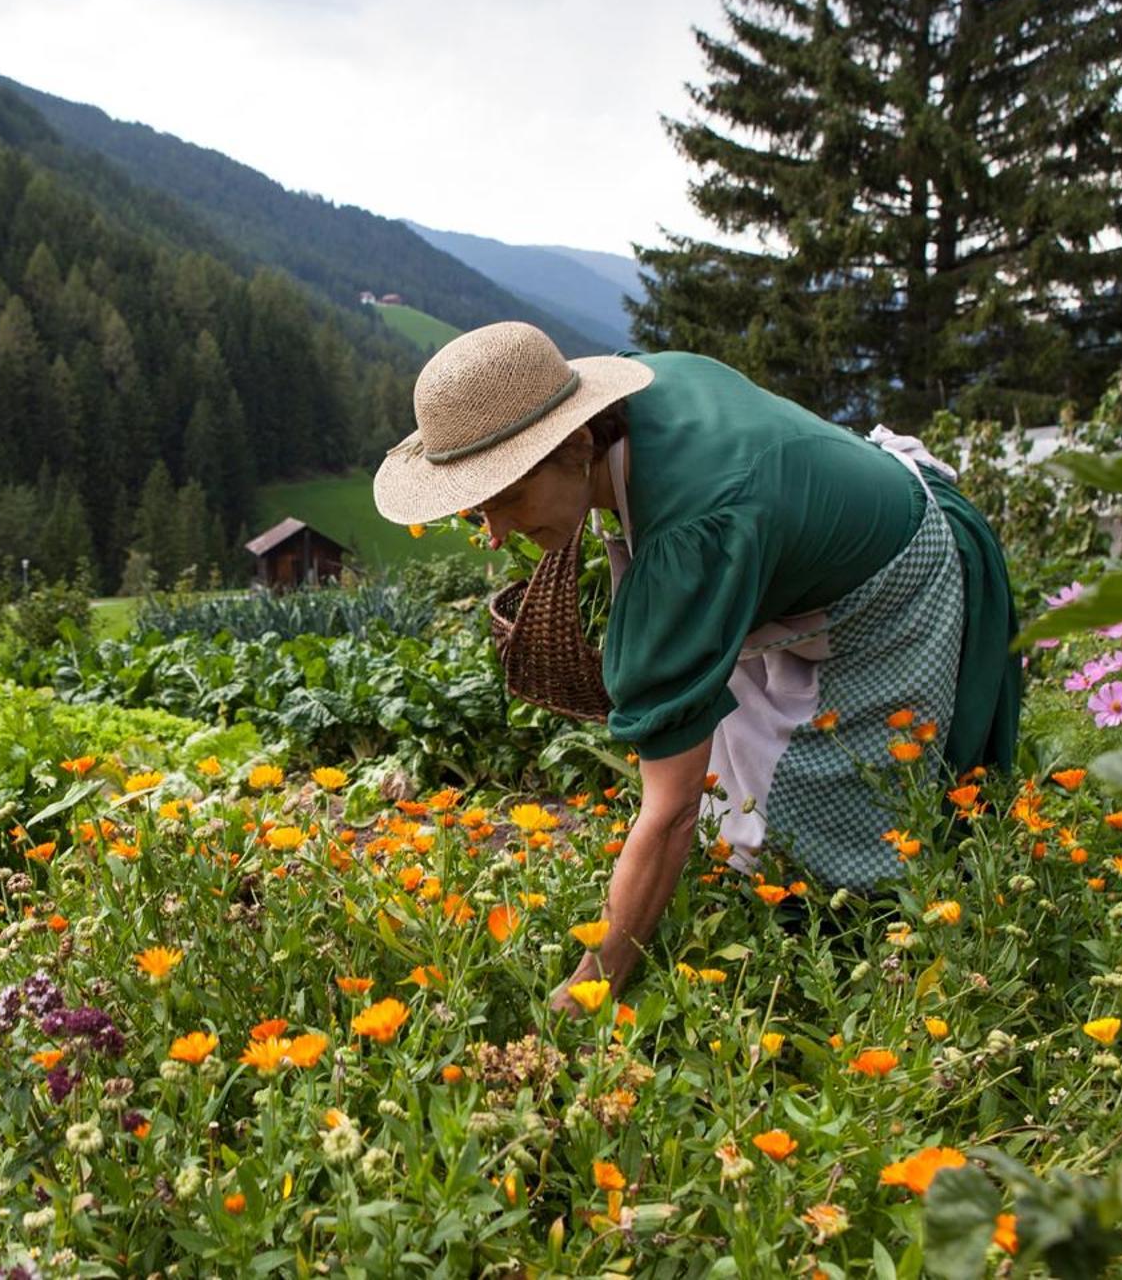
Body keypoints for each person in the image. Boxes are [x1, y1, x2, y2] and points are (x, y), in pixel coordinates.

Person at [371, 321, 1022, 1015]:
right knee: (738, 791)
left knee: (838, 813)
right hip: (786, 553)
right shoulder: (631, 404)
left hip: (894, 582)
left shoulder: (693, 528)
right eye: (479, 509)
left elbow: (671, 805)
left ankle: (863, 977)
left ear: (578, 441)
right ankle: (743, 906)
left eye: (506, 497)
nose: (494, 534)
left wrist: (591, 990)